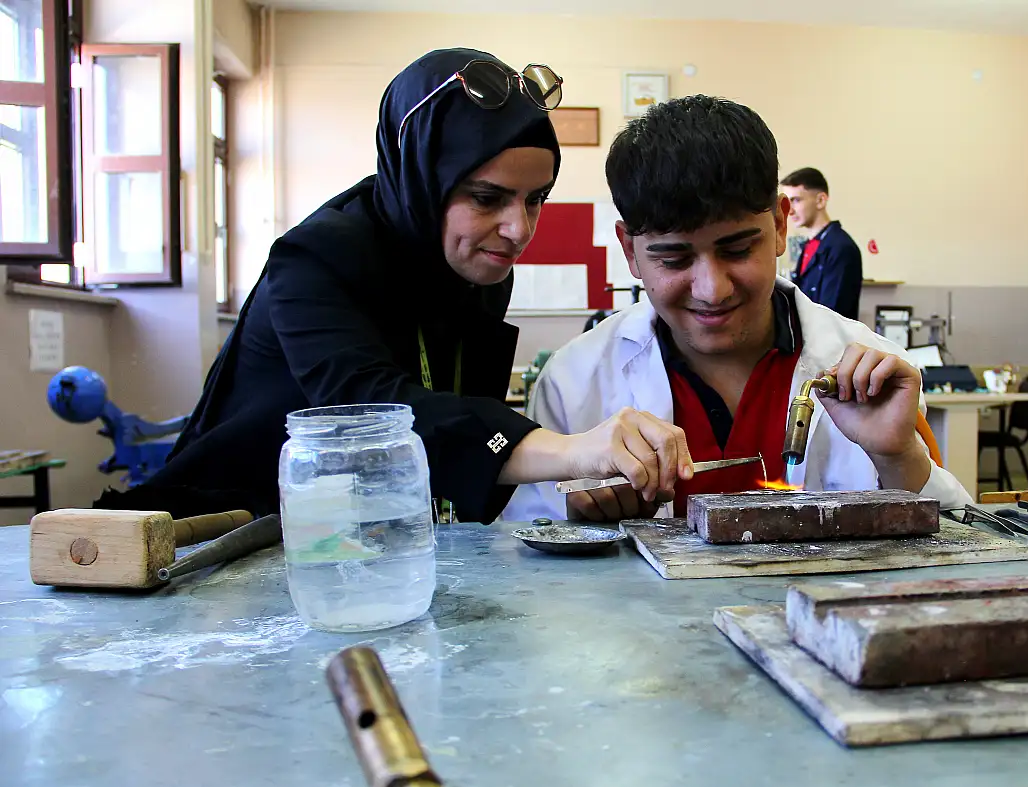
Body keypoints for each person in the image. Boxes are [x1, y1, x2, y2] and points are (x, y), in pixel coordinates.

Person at [94, 48, 692, 522]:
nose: (519, 229)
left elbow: (455, 432)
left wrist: (577, 486)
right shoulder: (313, 260)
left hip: (367, 536)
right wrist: (573, 450)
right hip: (232, 531)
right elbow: (375, 412)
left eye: (535, 199)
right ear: (422, 177)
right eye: (487, 198)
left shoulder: (473, 264)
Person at [504, 96, 969, 522]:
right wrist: (580, 528)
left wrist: (898, 458)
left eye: (738, 250)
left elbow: (962, 547)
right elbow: (523, 556)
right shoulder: (574, 382)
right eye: (674, 259)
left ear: (780, 225)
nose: (712, 290)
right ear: (630, 250)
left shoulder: (872, 370)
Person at [780, 167, 864, 320]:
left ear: (820, 200)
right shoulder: (809, 247)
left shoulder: (841, 248)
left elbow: (833, 315)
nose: (790, 211)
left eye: (796, 200)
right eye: (787, 202)